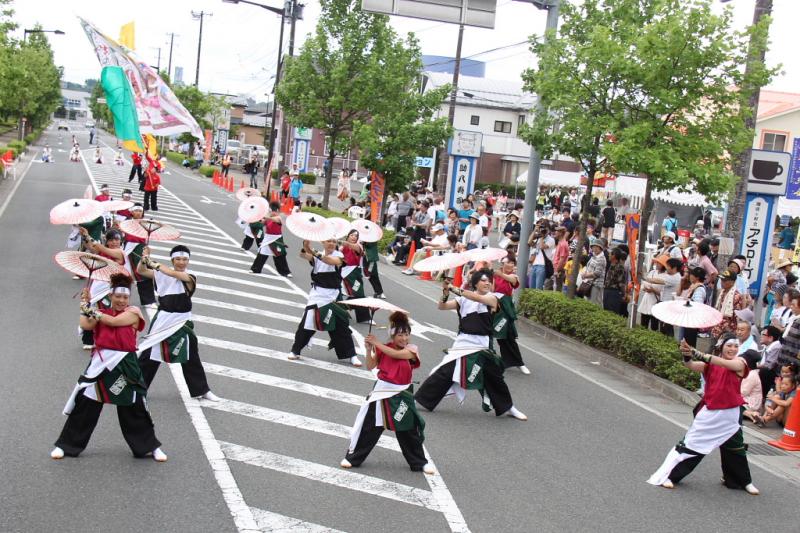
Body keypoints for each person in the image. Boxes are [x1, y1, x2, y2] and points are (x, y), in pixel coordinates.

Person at [51, 273, 166, 462]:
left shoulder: (133, 312)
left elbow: (113, 322)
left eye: (125, 297)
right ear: (110, 296)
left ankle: (148, 447)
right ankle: (67, 445)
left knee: (134, 406)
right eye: (118, 296)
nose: (121, 300)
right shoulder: (101, 310)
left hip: (125, 364)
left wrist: (92, 310)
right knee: (86, 403)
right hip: (101, 363)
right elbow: (86, 325)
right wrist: (84, 307)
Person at [648, 333, 758, 495]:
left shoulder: (739, 364)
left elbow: (723, 363)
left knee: (736, 447)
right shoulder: (710, 364)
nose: (733, 349)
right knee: (693, 444)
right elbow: (691, 365)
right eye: (729, 345)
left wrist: (698, 353)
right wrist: (687, 355)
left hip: (731, 414)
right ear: (721, 346)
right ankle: (670, 476)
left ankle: (743, 481)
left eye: (735, 346)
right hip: (710, 412)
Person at [414, 270, 528, 420]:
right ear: (475, 283)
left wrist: (456, 289)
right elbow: (442, 306)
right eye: (483, 280)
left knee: (494, 377)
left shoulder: (492, 299)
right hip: (463, 343)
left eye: (489, 280)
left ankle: (508, 407)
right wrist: (446, 292)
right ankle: (419, 399)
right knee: (445, 371)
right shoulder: (463, 300)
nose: (487, 283)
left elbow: (476, 298)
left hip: (482, 345)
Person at [341, 312, 433, 473]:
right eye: (400, 335)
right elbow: (370, 366)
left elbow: (397, 355)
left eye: (406, 334)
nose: (404, 339)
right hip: (382, 392)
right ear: (392, 335)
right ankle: (352, 458)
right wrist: (369, 349)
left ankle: (419, 462)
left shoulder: (412, 349)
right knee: (370, 427)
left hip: (402, 394)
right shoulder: (383, 348)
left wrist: (377, 343)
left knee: (408, 429)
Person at [136, 245, 218, 401]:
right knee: (149, 354)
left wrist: (156, 264)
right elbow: (141, 271)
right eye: (178, 259)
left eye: (185, 259)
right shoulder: (161, 275)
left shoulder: (190, 277)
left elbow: (173, 274)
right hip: (163, 319)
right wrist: (143, 260)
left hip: (182, 320)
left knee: (190, 354)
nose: (181, 262)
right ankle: (138, 390)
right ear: (172, 260)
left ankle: (201, 390)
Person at [289, 239, 361, 366]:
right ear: (323, 242)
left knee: (342, 325)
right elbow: (303, 255)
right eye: (328, 241)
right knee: (307, 324)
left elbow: (329, 261)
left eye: (334, 242)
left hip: (333, 295)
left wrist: (312, 250)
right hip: (317, 295)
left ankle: (352, 355)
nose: (331, 244)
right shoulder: (318, 255)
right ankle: (295, 350)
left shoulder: (339, 256)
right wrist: (305, 245)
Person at [493, 255, 529, 375]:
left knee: (508, 335)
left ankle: (519, 362)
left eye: (513, 263)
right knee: (499, 336)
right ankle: (505, 361)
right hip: (495, 307)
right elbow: (492, 290)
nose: (511, 265)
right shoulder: (495, 276)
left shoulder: (513, 276)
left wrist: (500, 274)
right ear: (502, 263)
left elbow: (513, 281)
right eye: (509, 262)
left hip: (506, 310)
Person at [121, 204, 156, 308]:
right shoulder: (126, 223)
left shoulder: (145, 224)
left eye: (140, 211)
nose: (138, 213)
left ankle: (148, 301)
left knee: (144, 273)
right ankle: (123, 299)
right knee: (128, 274)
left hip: (141, 248)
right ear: (132, 212)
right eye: (136, 211)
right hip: (129, 249)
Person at [250, 202, 292, 277]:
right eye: (271, 211)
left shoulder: (278, 217)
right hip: (268, 237)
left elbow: (275, 219)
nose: (272, 212)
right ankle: (255, 269)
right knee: (262, 253)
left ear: (277, 211)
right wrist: (257, 218)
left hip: (276, 238)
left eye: (274, 211)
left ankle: (285, 272)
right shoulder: (268, 218)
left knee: (279, 255)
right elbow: (261, 223)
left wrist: (266, 217)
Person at [340, 229, 372, 324]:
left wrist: (340, 242)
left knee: (358, 294)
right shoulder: (341, 247)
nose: (354, 237)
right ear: (348, 236)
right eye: (352, 235)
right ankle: (364, 318)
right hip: (348, 274)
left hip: (356, 273)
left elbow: (354, 247)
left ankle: (340, 308)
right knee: (359, 294)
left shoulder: (359, 246)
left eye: (356, 236)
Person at [712, 269, 745, 340]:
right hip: (717, 328)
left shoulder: (736, 296)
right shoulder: (722, 293)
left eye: (724, 280)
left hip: (728, 330)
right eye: (721, 280)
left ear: (732, 282)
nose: (722, 282)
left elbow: (738, 316)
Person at [679, 267, 707, 346]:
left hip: (692, 320)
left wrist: (687, 302)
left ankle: (688, 358)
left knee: (688, 343)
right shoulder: (694, 286)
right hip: (689, 319)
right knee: (684, 341)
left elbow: (698, 305)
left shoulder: (699, 289)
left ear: (697, 277)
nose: (690, 276)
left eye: (691, 275)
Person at [582, 238, 607, 306]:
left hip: (596, 284)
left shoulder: (601, 258)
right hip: (589, 283)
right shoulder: (594, 256)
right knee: (588, 302)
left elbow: (597, 273)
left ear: (600, 248)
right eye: (593, 247)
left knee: (594, 304)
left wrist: (586, 275)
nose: (595, 248)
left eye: (597, 247)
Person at [603, 248, 628, 316]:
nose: (608, 255)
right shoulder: (611, 265)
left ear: (614, 256)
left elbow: (621, 283)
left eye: (610, 254)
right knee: (605, 311)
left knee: (612, 313)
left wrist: (624, 294)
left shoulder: (620, 267)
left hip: (614, 293)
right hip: (607, 291)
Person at [362, 234, 385, 299]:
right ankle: (377, 291)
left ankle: (380, 292)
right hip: (364, 260)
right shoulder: (362, 238)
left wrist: (364, 242)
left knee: (374, 275)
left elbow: (369, 245)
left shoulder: (373, 238)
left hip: (371, 260)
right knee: (369, 276)